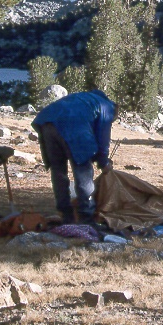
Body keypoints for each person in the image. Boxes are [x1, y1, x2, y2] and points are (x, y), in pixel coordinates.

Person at [31, 89, 116, 224]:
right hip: (73, 126)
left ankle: (65, 213)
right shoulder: (107, 106)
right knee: (83, 171)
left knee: (58, 170)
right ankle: (86, 216)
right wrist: (104, 162)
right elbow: (103, 138)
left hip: (47, 123)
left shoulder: (83, 97)